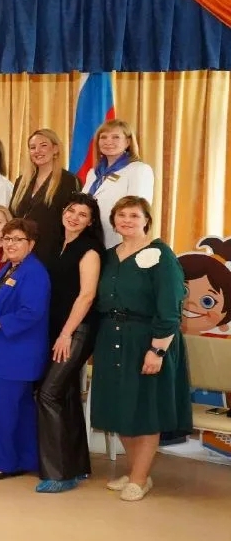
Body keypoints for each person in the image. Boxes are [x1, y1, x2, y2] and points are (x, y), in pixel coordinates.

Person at [91, 197, 192, 502]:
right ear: (113, 221)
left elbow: (170, 307)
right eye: (121, 215)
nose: (127, 220)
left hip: (147, 340)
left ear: (146, 220)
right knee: (121, 407)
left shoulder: (161, 256)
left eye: (134, 215)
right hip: (111, 338)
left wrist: (157, 350)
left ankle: (139, 478)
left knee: (145, 409)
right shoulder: (109, 256)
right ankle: (137, 471)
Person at [36, 194, 103, 493]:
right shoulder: (53, 244)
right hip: (55, 329)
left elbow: (86, 296)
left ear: (90, 222)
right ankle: (77, 467)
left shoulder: (89, 250)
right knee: (67, 394)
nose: (74, 217)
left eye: (82, 214)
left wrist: (66, 333)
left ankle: (59, 473)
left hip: (77, 330)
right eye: (71, 210)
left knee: (48, 394)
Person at [0, 218, 52, 481]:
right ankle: (25, 459)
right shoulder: (11, 267)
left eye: (17, 239)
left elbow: (32, 311)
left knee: (3, 409)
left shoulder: (34, 272)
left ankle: (4, 464)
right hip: (5, 350)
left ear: (31, 244)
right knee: (20, 410)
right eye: (7, 238)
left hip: (19, 353)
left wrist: (0, 322)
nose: (10, 244)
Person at [9, 129, 80, 266]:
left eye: (43, 145)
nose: (37, 151)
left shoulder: (69, 181)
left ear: (55, 149)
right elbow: (12, 216)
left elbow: (73, 221)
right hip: (19, 253)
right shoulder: (21, 182)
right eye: (32, 147)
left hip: (51, 254)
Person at [83, 119, 155, 249]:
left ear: (128, 142)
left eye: (115, 137)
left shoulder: (139, 169)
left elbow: (137, 211)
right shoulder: (93, 173)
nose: (108, 141)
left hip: (120, 242)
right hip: (90, 240)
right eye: (103, 137)